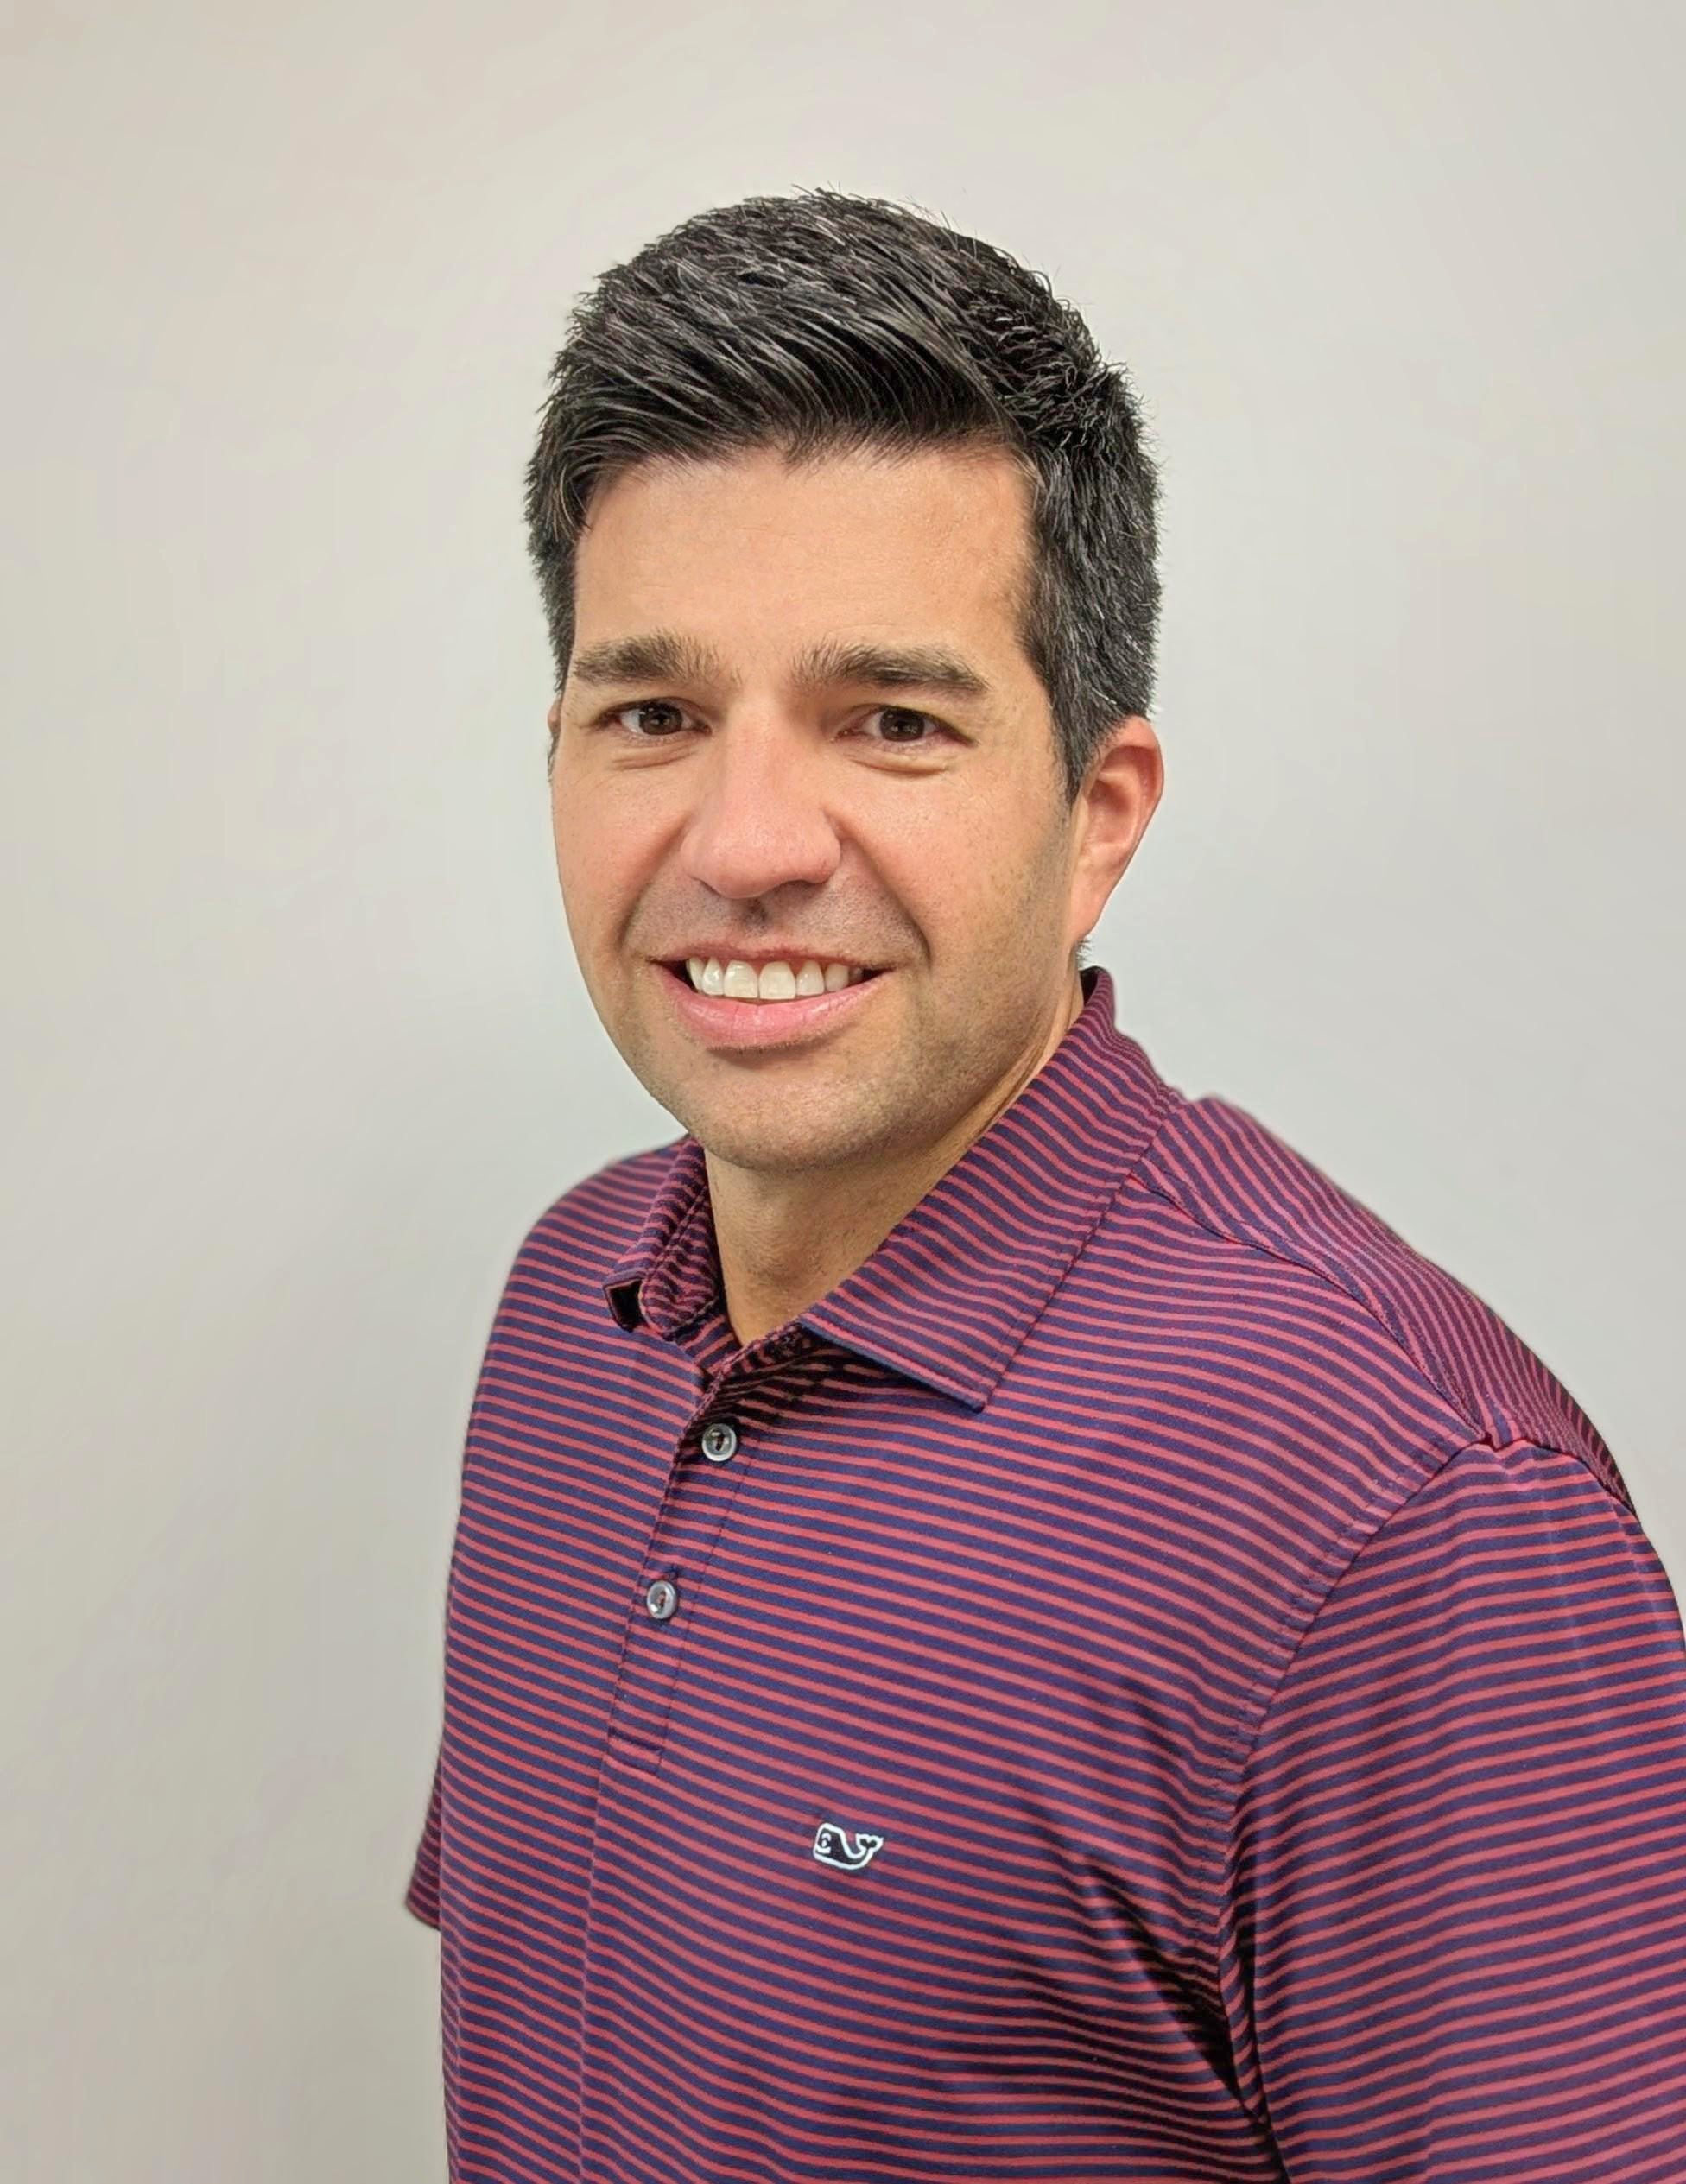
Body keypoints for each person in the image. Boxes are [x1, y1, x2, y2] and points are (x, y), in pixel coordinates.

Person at [404, 187, 1686, 2181]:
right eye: (652, 712)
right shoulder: (573, 1314)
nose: (743, 839)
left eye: (890, 721)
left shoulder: (1408, 1508)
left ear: (1097, 817)